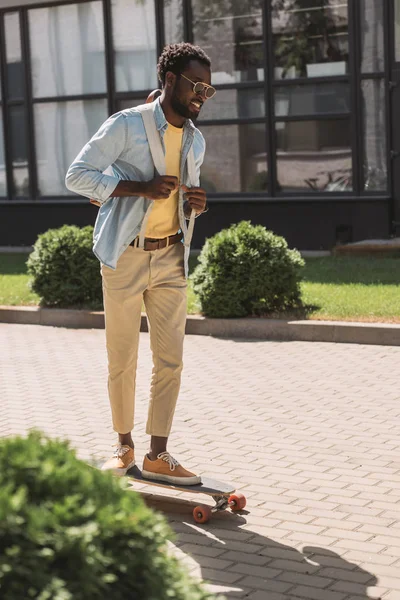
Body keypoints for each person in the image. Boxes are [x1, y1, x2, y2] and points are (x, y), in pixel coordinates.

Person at [65, 43, 216, 484]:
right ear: (169, 80)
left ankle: (158, 454)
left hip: (172, 256)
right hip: (126, 256)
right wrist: (137, 187)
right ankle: (124, 447)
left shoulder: (195, 138)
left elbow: (182, 193)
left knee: (170, 360)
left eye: (208, 89)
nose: (201, 96)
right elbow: (77, 174)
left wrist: (197, 204)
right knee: (122, 357)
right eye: (195, 85)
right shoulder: (126, 125)